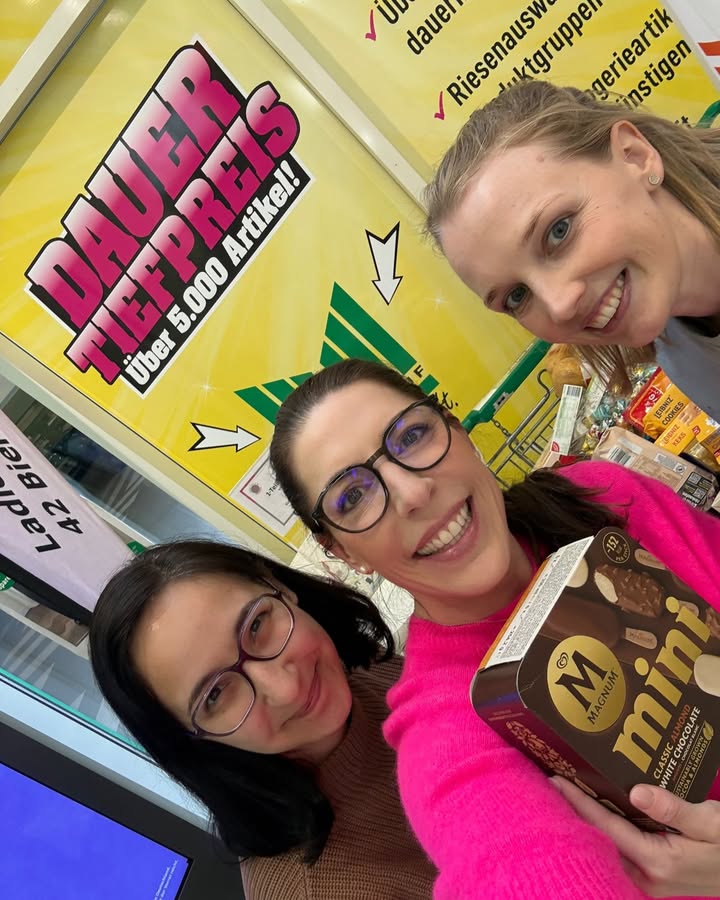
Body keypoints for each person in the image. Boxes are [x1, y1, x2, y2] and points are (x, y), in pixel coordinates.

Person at [269, 356, 720, 899]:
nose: (412, 494)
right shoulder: (446, 733)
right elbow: (507, 861)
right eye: (353, 497)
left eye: (411, 436)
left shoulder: (601, 493)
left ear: (457, 430)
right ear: (343, 551)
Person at [89, 540, 435, 900]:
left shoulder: (353, 667)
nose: (286, 689)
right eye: (215, 695)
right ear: (192, 740)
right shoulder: (315, 892)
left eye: (256, 626)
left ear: (277, 585)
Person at [422, 79, 720, 417]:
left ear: (635, 156)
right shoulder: (681, 351)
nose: (560, 305)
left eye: (558, 231)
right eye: (517, 297)